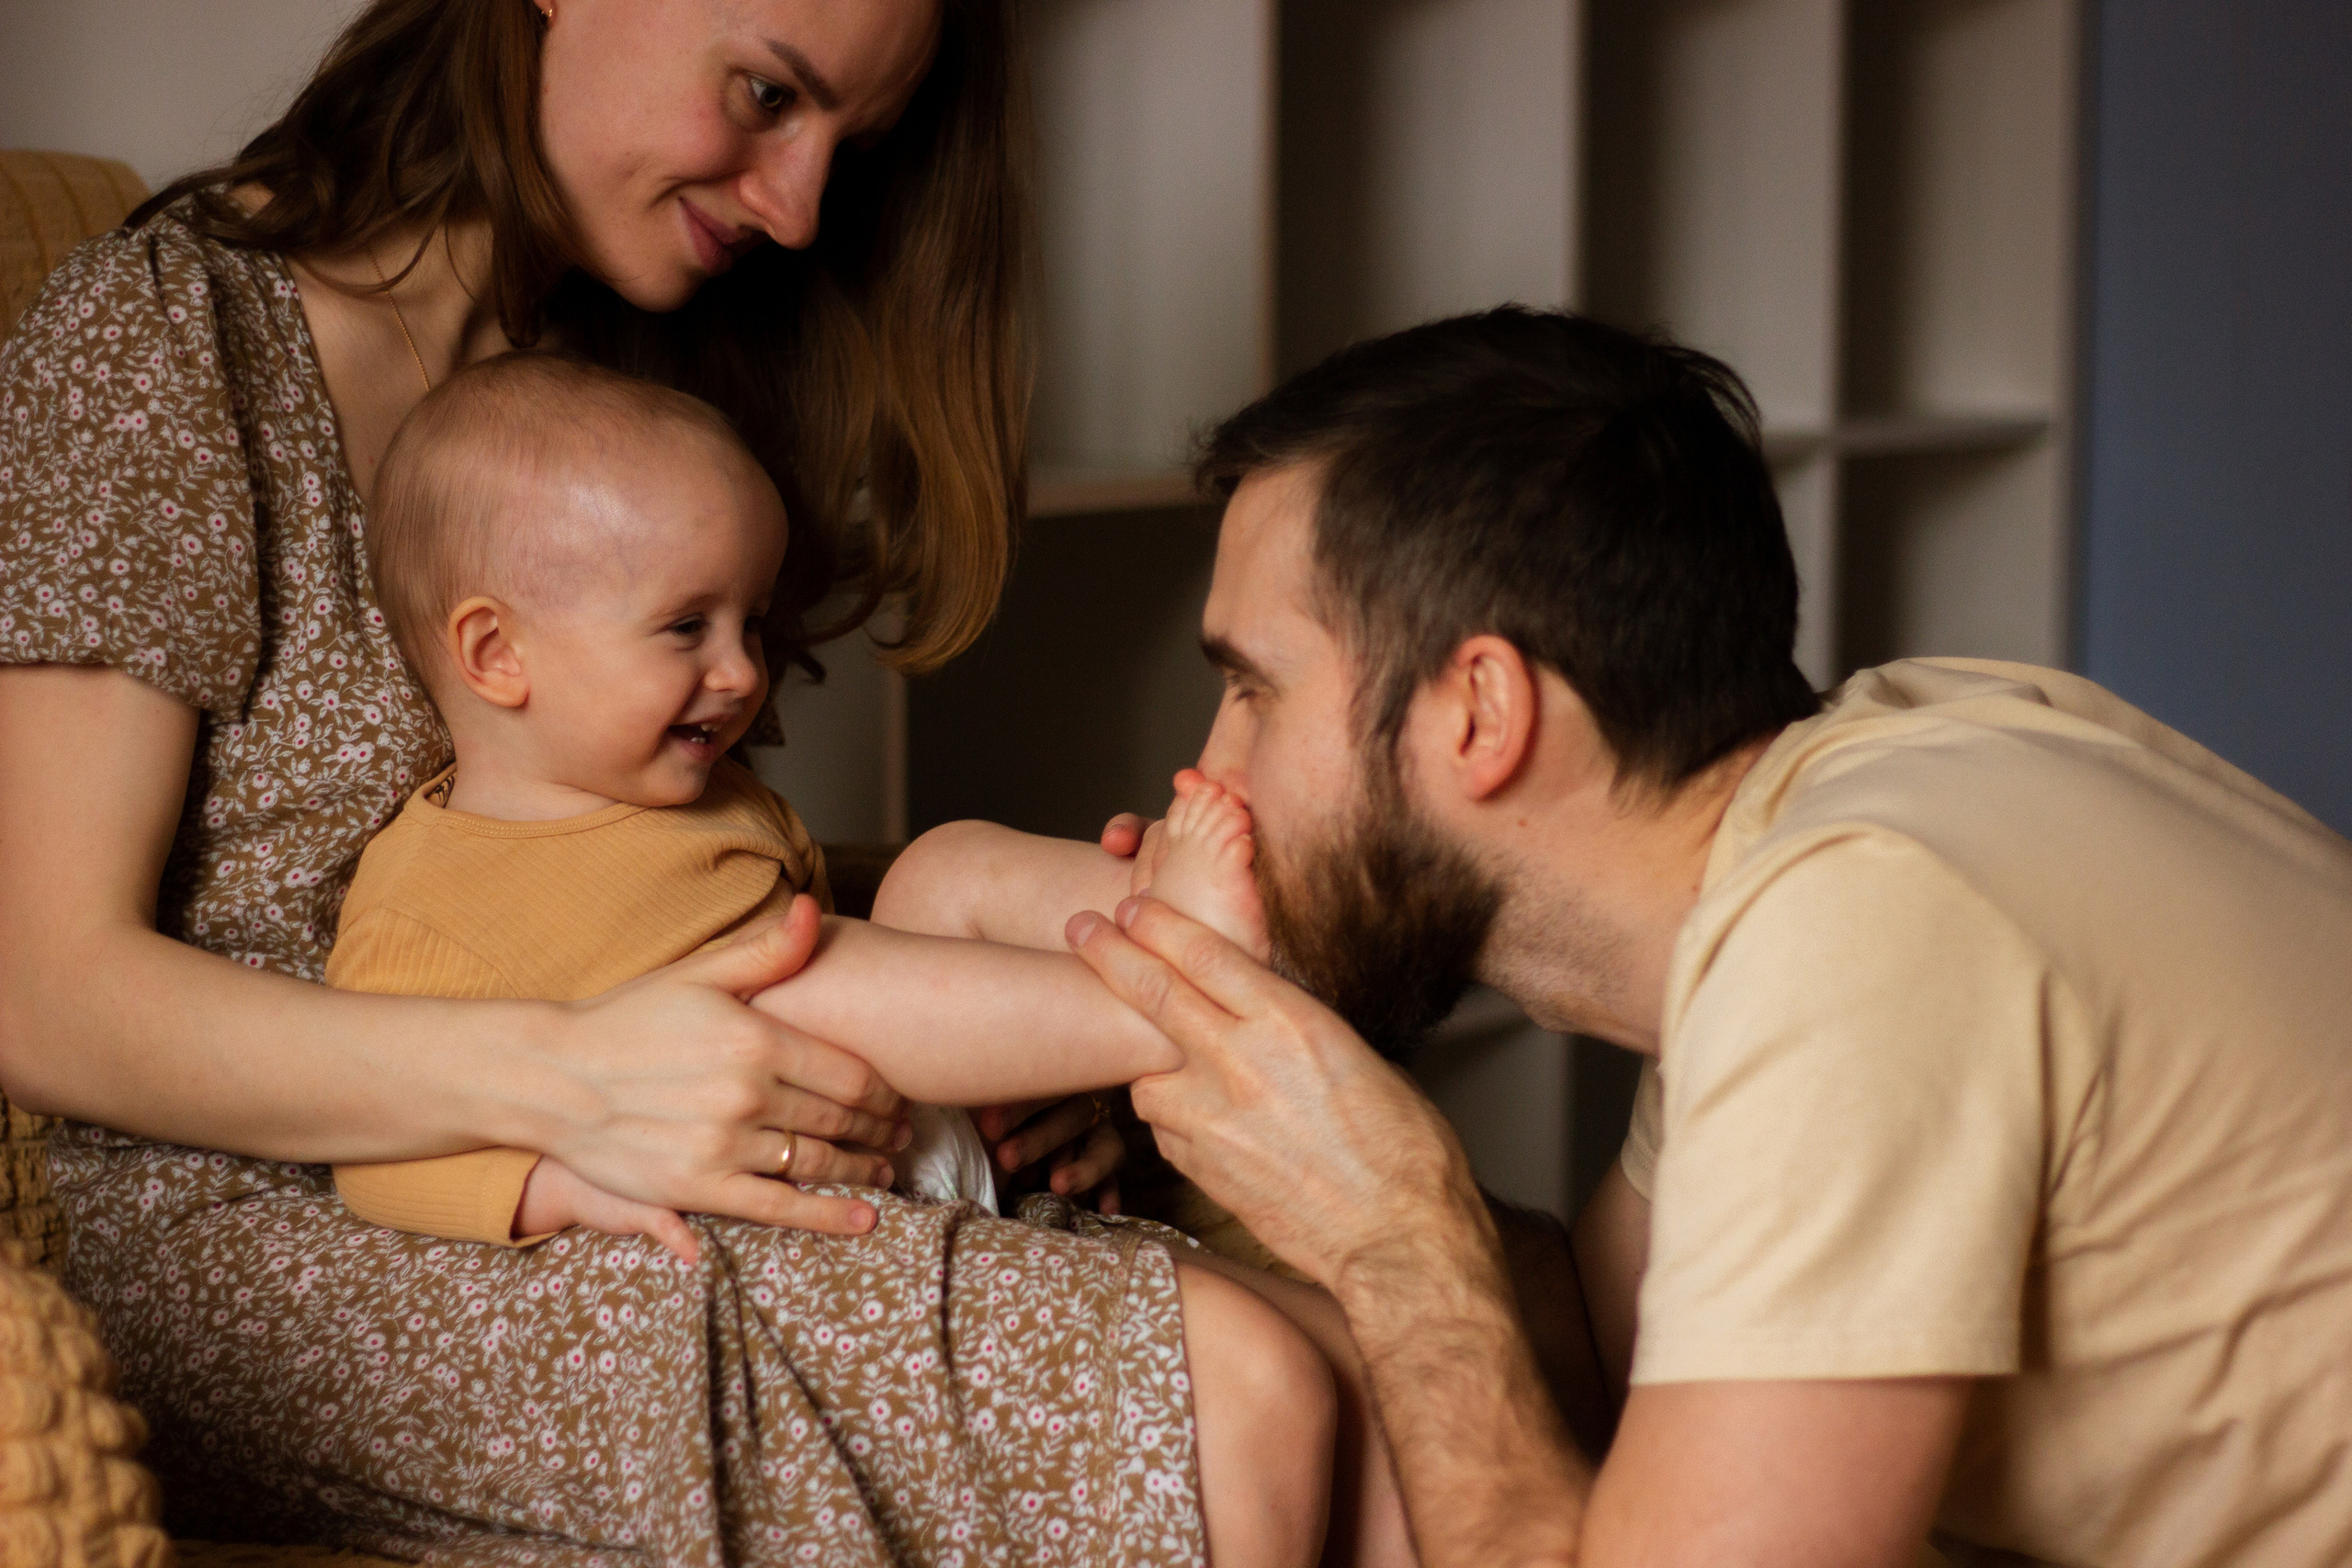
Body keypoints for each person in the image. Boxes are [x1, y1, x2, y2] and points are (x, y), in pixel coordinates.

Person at [0, 0, 1292, 1557]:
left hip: (654, 1118)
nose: (800, 209)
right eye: (763, 94)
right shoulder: (167, 339)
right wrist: (574, 1079)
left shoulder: (624, 383)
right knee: (1248, 1388)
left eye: (852, 147)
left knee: (1326, 1346)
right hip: (274, 1231)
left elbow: (687, 887)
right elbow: (41, 991)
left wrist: (1006, 1026)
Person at [1063, 307, 2352, 1567]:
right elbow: (1603, 1360)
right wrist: (1257, 1151)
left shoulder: (1854, 932)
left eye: (1253, 691)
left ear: (1479, 714)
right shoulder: (1868, 800)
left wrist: (1398, 1235)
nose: (1204, 773)